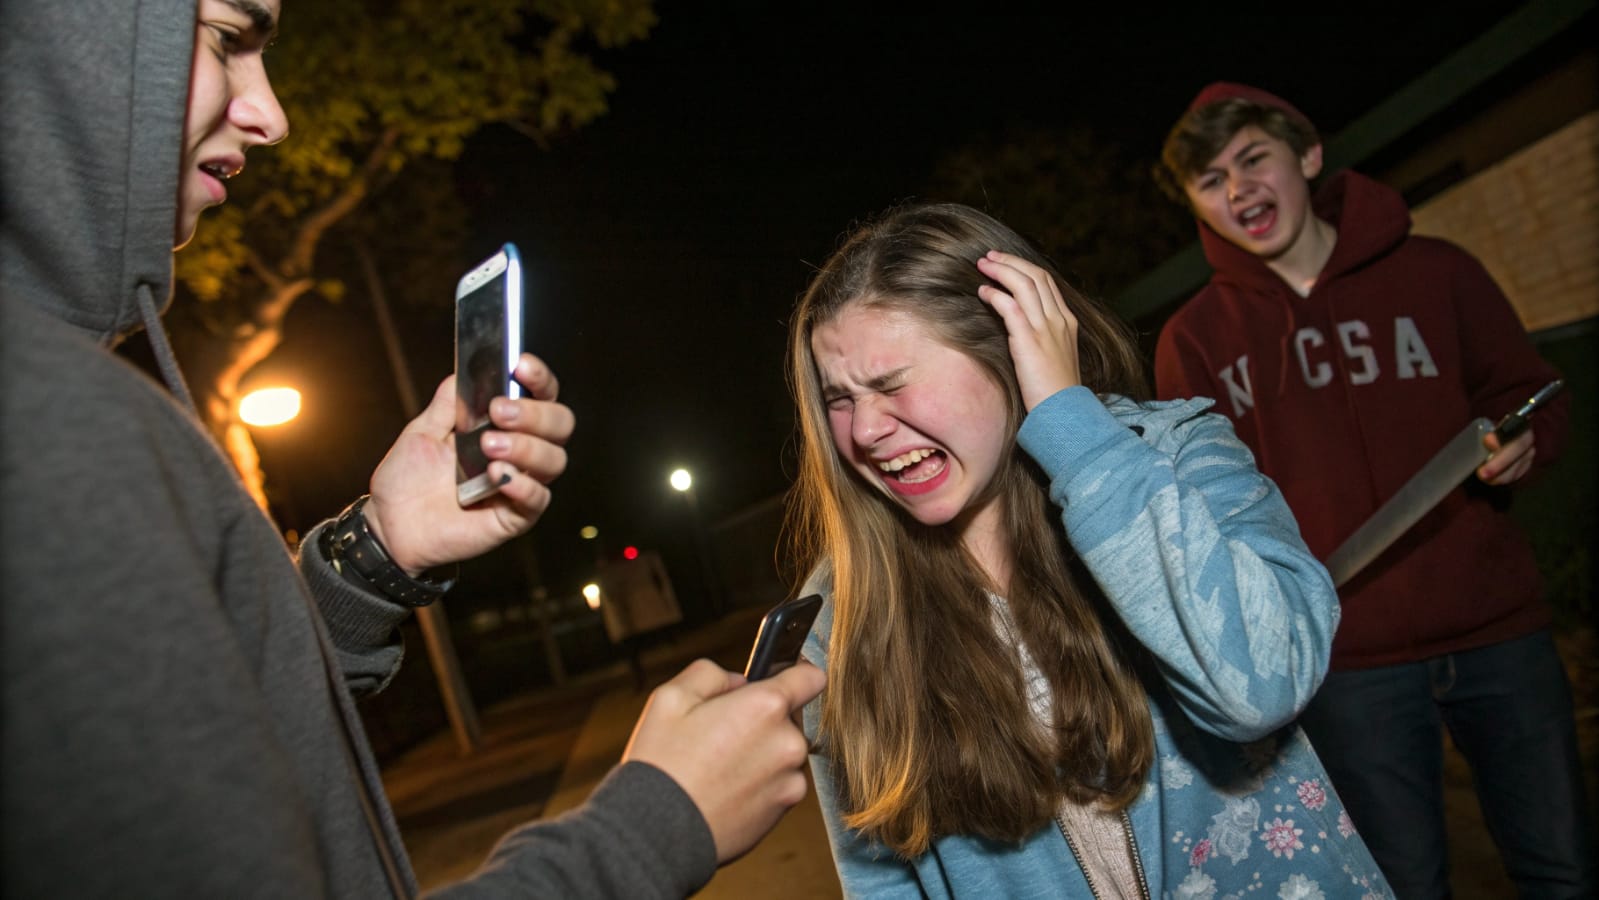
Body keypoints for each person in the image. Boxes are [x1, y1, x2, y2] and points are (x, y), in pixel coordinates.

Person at [0, 0, 824, 897]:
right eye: (228, 38)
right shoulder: (49, 428)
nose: (272, 115)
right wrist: (657, 826)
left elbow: (196, 736)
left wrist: (378, 554)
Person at [783, 201, 1393, 898]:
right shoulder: (838, 608)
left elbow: (1260, 689)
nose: (864, 430)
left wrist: (1073, 429)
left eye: (892, 383)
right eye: (839, 399)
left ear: (1013, 350)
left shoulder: (1175, 454)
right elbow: (879, 873)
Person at [1153, 82, 1593, 898]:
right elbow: (1203, 513)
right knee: (1402, 885)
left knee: (1560, 870)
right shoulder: (1194, 340)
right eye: (1210, 180)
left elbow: (1531, 393)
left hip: (1498, 632)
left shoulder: (1438, 272)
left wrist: (1525, 439)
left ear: (1307, 156)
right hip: (1342, 664)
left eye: (1253, 159)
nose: (1237, 189)